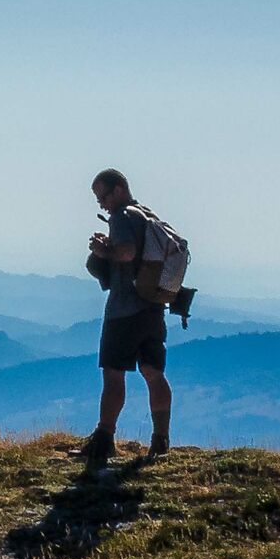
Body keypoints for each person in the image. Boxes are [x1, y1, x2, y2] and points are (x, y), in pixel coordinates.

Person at [82, 168, 172, 465]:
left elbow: (127, 253)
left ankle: (104, 438)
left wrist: (102, 251)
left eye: (103, 196)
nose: (102, 204)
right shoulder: (146, 214)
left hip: (124, 311)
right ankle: (161, 439)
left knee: (113, 373)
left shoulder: (121, 216)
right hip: (153, 307)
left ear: (119, 189)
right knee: (153, 372)